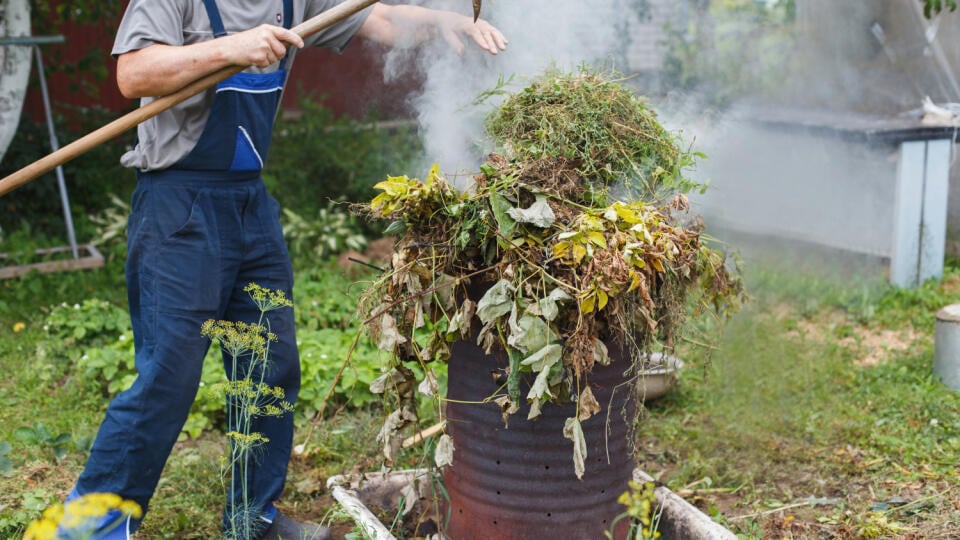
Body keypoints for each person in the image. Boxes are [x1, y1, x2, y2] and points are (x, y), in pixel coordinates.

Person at [65, 1, 507, 539]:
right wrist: (233, 47)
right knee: (168, 377)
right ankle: (89, 528)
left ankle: (253, 520)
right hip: (178, 205)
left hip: (248, 204)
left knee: (270, 365)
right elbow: (133, 73)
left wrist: (443, 22)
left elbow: (383, 20)